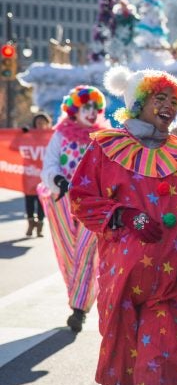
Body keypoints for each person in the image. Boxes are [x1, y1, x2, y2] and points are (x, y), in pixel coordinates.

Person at [69, 66, 177, 385]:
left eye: (173, 101)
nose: (167, 106)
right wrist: (121, 215)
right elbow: (81, 198)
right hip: (119, 285)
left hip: (169, 287)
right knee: (124, 374)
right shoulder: (105, 147)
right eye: (159, 98)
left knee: (161, 370)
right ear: (139, 102)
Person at [38, 86, 108, 333]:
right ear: (75, 109)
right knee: (69, 253)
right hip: (63, 201)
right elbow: (49, 164)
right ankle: (78, 298)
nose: (91, 113)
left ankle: (79, 310)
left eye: (95, 108)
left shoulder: (103, 137)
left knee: (87, 253)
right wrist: (58, 180)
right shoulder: (61, 135)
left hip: (92, 204)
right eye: (86, 107)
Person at [22, 112, 51, 237]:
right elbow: (13, 146)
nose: (40, 125)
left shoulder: (52, 137)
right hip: (29, 175)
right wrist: (21, 134)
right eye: (38, 123)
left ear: (47, 124)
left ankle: (39, 225)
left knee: (41, 201)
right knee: (29, 201)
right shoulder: (28, 136)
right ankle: (30, 223)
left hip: (43, 176)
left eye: (42, 123)